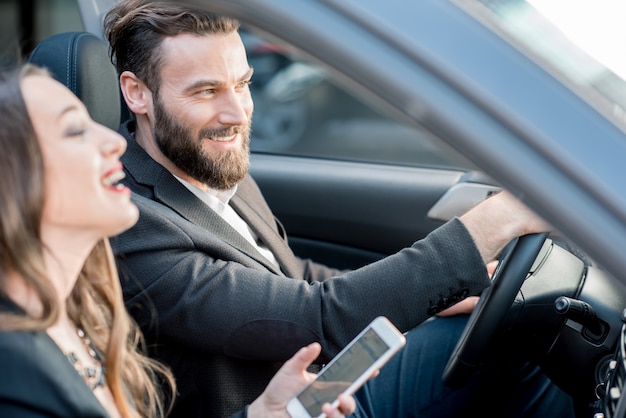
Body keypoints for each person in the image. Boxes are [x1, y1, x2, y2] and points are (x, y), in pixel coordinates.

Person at [103, 1, 576, 417]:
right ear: (137, 92)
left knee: (518, 335)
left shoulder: (205, 158)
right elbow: (314, 318)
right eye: (206, 92)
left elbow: (294, 275)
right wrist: (502, 216)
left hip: (323, 383)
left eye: (242, 83)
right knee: (520, 352)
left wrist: (432, 299)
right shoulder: (133, 224)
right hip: (292, 407)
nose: (237, 113)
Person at [0, 64, 356, 418]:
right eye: (76, 130)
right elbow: (312, 311)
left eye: (243, 83)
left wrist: (264, 413)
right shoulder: (14, 377)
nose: (112, 141)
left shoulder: (81, 312)